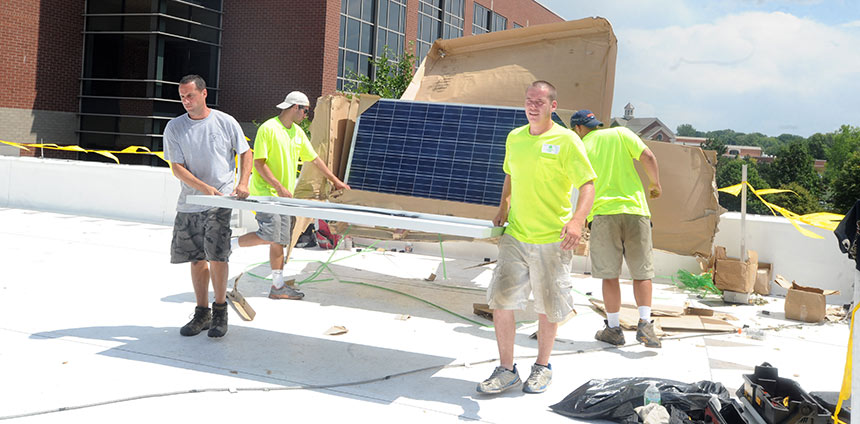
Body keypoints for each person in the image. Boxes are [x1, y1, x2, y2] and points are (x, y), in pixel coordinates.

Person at [477, 81, 596, 395]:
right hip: (515, 235)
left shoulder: (568, 140)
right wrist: (503, 206)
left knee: (548, 307)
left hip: (551, 239)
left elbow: (587, 185)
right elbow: (510, 174)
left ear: (553, 106)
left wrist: (577, 220)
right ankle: (506, 370)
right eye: (529, 101)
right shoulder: (515, 138)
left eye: (540, 102)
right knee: (501, 301)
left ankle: (542, 367)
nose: (533, 106)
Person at [231, 91, 350, 300]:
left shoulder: (297, 132)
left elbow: (314, 160)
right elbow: (259, 163)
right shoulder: (268, 129)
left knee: (280, 240)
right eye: (306, 111)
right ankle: (229, 244)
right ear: (295, 107)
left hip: (285, 197)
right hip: (266, 194)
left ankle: (277, 286)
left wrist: (336, 181)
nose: (306, 115)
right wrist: (277, 186)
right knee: (270, 235)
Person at [163, 74, 252, 338]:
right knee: (196, 258)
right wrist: (203, 189)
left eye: (190, 96)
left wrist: (243, 182)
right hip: (191, 202)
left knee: (217, 255)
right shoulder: (175, 127)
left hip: (220, 201)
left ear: (204, 94)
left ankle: (220, 311)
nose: (185, 101)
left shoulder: (225, 122)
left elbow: (246, 152)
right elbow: (176, 167)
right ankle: (202, 313)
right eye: (182, 97)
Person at [570, 109, 663, 348]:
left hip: (602, 215)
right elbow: (649, 157)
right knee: (642, 273)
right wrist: (655, 184)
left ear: (578, 128)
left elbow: (575, 184)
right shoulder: (622, 133)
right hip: (636, 212)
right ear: (596, 125)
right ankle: (645, 325)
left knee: (610, 275)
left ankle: (613, 329)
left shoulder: (580, 147)